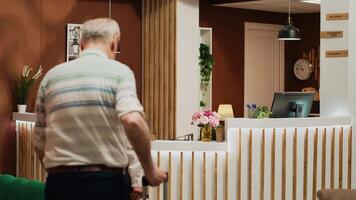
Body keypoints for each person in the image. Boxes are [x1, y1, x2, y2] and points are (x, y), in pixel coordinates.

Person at [32, 18, 166, 200]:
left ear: (81, 44)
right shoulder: (120, 72)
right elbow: (133, 121)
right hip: (104, 183)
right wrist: (150, 171)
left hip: (59, 183)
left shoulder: (51, 77)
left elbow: (39, 139)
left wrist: (58, 172)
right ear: (114, 42)